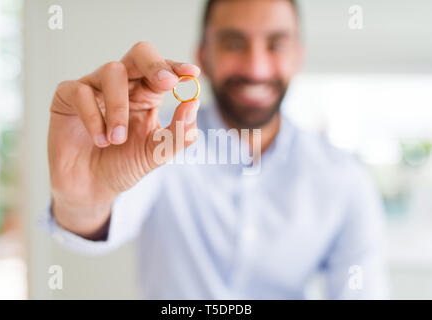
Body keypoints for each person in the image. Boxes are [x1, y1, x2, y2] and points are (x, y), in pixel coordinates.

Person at [44, 0, 388, 299]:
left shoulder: (345, 179)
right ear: (202, 58)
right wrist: (82, 202)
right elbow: (103, 216)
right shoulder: (152, 140)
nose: (256, 68)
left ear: (297, 58)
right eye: (233, 44)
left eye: (276, 44)